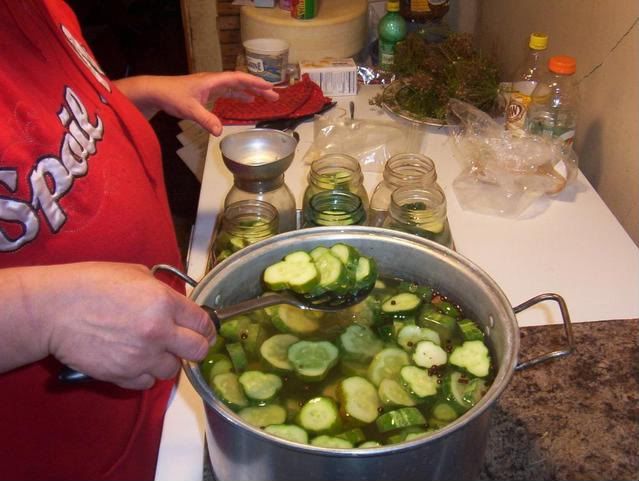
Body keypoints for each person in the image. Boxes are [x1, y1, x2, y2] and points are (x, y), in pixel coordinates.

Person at [0, 1, 278, 480]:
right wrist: (41, 312)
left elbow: (59, 126)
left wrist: (134, 97)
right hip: (69, 454)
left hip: (156, 388)